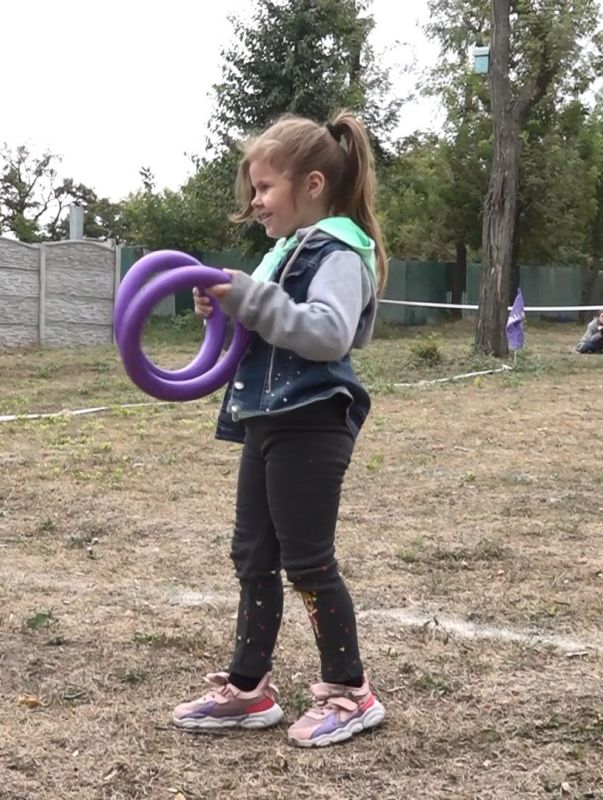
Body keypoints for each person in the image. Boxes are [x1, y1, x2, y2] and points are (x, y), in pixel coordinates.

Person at [171, 111, 386, 748]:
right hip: (265, 418)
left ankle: (352, 691)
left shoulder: (341, 250)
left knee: (309, 562)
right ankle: (249, 688)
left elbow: (325, 334)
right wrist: (221, 306)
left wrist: (249, 297)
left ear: (312, 184)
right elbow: (258, 326)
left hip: (312, 419)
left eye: (264, 188)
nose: (254, 201)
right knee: (253, 556)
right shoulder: (283, 251)